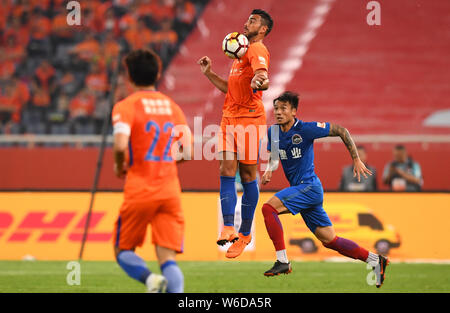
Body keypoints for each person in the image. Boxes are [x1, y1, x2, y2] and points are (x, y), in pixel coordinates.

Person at [261, 91, 389, 288]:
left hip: (309, 187)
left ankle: (283, 261)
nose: (278, 112)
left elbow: (341, 130)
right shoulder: (274, 132)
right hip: (302, 191)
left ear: (294, 111)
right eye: (276, 108)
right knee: (330, 240)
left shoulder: (306, 129)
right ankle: (375, 260)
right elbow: (275, 157)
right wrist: (269, 170)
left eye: (283, 108)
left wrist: (355, 158)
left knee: (268, 209)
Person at [112, 49, 192, 293]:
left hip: (140, 188)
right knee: (168, 257)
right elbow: (187, 151)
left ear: (130, 77)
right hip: (169, 190)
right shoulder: (172, 107)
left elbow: (120, 144)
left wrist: (119, 166)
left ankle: (150, 280)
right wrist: (167, 163)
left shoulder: (126, 106)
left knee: (122, 250)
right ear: (157, 74)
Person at [197, 9, 273, 258]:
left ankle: (244, 233)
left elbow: (263, 77)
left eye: (253, 20)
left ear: (262, 30)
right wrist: (209, 73)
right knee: (225, 169)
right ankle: (227, 227)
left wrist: (259, 81)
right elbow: (229, 90)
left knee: (248, 174)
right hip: (229, 118)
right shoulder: (239, 55)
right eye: (247, 19)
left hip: (250, 119)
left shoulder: (257, 50)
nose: (246, 22)